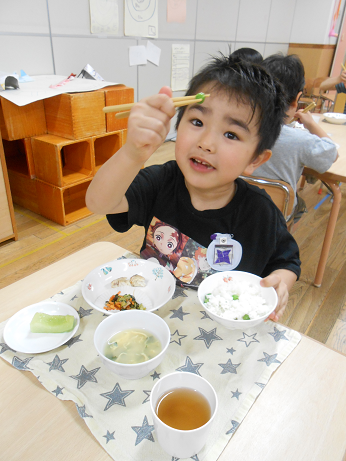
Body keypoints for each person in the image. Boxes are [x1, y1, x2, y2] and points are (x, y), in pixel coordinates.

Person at [86, 54, 301, 322]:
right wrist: (132, 153)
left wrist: (280, 283)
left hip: (217, 332)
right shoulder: (162, 180)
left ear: (255, 159)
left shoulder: (261, 213)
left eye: (231, 134)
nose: (207, 142)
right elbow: (99, 202)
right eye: (197, 122)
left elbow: (287, 261)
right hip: (151, 316)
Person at [254, 54, 338, 222]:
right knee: (299, 206)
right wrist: (311, 125)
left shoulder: (239, 130)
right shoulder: (301, 140)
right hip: (276, 214)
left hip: (236, 206)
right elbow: (332, 154)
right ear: (297, 99)